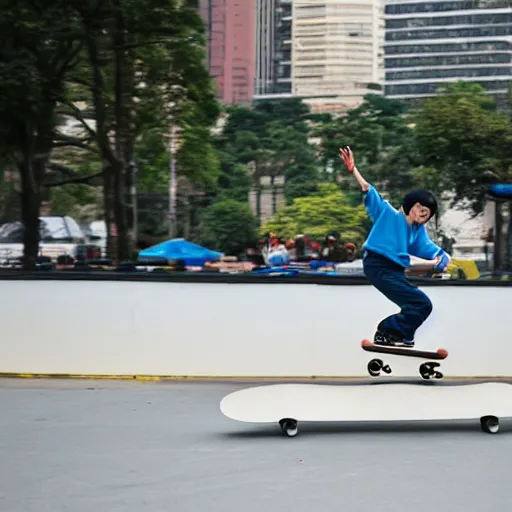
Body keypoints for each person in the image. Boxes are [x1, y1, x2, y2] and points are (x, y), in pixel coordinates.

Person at [338, 145, 450, 348]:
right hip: (377, 265)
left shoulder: (417, 232)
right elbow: (368, 190)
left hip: (395, 271)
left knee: (420, 305)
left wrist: (443, 258)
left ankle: (401, 335)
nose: (423, 215)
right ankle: (386, 330)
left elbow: (427, 247)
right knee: (419, 302)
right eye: (421, 210)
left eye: (427, 214)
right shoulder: (388, 213)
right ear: (411, 205)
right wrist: (353, 169)